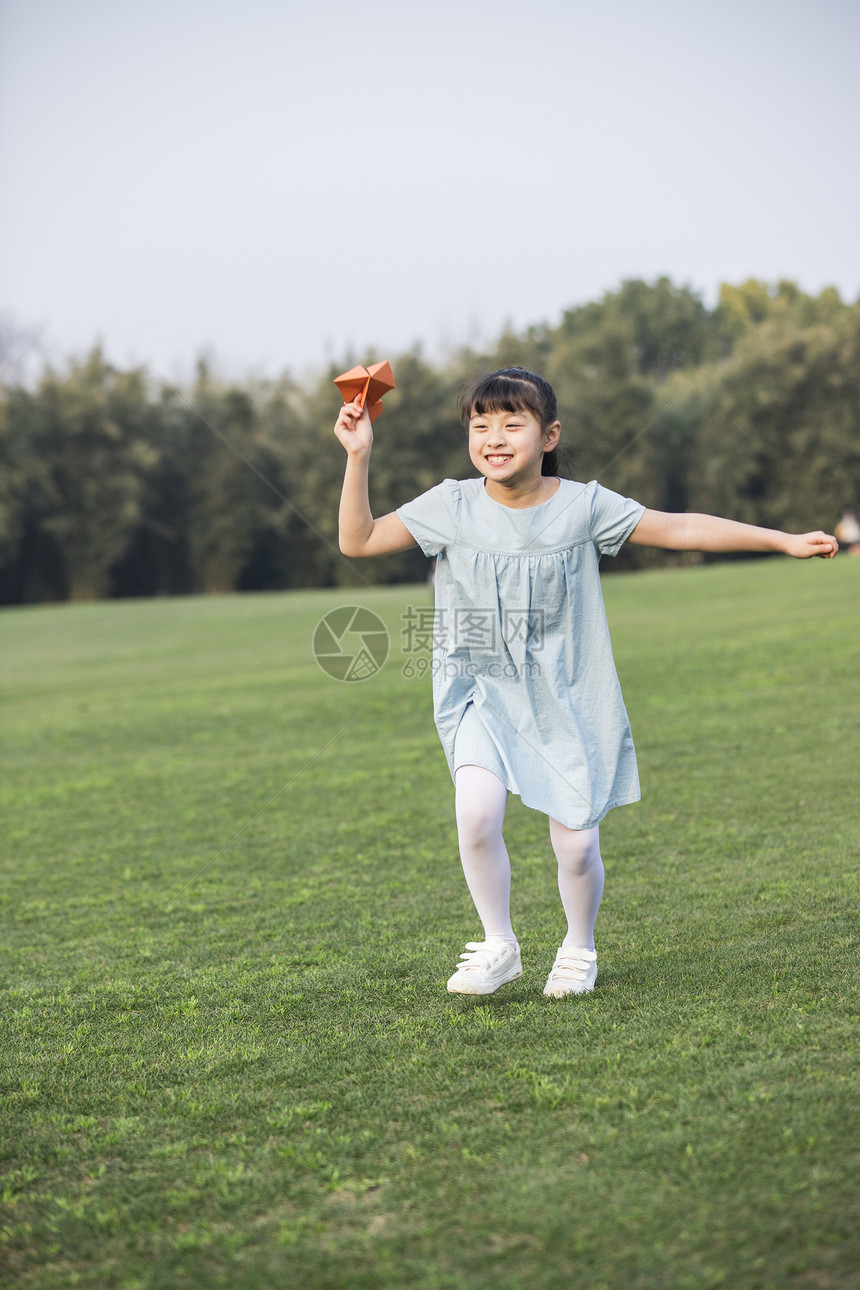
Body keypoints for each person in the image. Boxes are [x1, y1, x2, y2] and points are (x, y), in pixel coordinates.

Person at [334, 367, 838, 999]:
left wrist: (781, 540)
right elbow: (358, 540)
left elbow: (679, 528)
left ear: (549, 435)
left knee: (575, 847)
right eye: (480, 424)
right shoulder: (451, 506)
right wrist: (359, 458)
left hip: (567, 696)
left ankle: (579, 945)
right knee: (476, 814)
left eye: (513, 423)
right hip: (480, 693)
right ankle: (499, 944)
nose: (494, 436)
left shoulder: (586, 507)